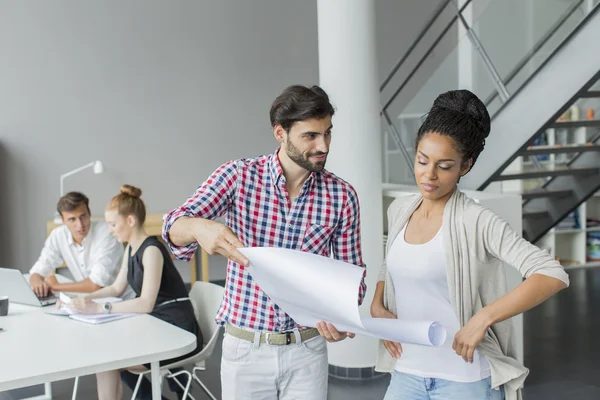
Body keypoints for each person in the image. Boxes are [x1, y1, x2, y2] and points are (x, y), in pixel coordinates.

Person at [162, 84, 366, 400]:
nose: (323, 145)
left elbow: (353, 275)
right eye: (310, 136)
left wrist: (340, 313)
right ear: (280, 133)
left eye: (327, 133)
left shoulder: (342, 196)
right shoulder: (238, 177)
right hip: (246, 350)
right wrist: (198, 227)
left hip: (307, 350)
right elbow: (173, 227)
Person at [370, 90, 569, 400]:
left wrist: (483, 318)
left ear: (465, 166)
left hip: (464, 380)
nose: (429, 175)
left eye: (445, 166)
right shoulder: (400, 209)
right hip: (407, 371)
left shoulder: (477, 220)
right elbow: (391, 264)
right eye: (422, 161)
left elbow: (553, 273)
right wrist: (377, 303)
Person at [66, 185, 203, 400]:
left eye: (113, 224)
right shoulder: (131, 248)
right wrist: (82, 299)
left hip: (176, 329)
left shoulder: (151, 251)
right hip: (157, 323)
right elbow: (116, 288)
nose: (110, 230)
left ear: (130, 221)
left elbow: (145, 303)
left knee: (108, 360)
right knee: (105, 359)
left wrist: (100, 308)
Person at [29, 191, 124, 297]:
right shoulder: (58, 235)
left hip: (122, 302)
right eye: (72, 219)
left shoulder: (107, 233)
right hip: (90, 302)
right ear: (63, 220)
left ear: (89, 213)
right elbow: (38, 270)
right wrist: (37, 283)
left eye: (83, 216)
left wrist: (56, 286)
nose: (80, 225)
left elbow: (96, 284)